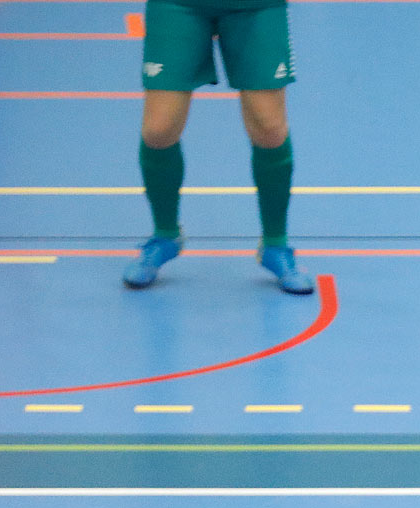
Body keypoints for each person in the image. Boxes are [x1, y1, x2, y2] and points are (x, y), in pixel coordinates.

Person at [122, 0, 312, 293]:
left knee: (269, 127)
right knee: (159, 130)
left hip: (256, 7)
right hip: (178, 5)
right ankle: (165, 236)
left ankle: (275, 244)